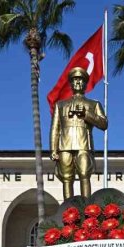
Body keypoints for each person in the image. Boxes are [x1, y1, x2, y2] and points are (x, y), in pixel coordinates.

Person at [50, 66, 108, 199]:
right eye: (75, 80)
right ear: (70, 83)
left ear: (85, 83)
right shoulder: (61, 105)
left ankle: (87, 209)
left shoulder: (94, 104)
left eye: (81, 80)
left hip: (84, 145)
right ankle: (67, 208)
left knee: (84, 174)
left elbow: (104, 124)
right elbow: (55, 128)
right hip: (64, 146)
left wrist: (86, 114)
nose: (78, 82)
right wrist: (53, 149)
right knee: (66, 178)